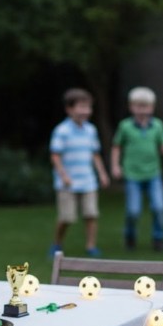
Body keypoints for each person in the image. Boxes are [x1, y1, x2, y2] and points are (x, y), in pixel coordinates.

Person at [49, 87, 110, 257]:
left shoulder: (91, 130)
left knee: (91, 214)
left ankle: (91, 246)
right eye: (81, 107)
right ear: (69, 109)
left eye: (88, 107)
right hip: (67, 183)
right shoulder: (62, 131)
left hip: (88, 180)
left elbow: (95, 155)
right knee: (66, 217)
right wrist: (63, 175)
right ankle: (57, 244)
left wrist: (102, 174)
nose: (86, 111)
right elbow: (55, 156)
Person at [111, 86, 163, 251]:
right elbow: (116, 146)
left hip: (153, 173)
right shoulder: (125, 126)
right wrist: (116, 166)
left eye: (146, 106)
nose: (142, 110)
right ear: (131, 107)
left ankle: (159, 238)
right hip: (132, 174)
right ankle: (130, 236)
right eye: (138, 106)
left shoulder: (157, 125)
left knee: (159, 207)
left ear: (152, 107)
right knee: (133, 210)